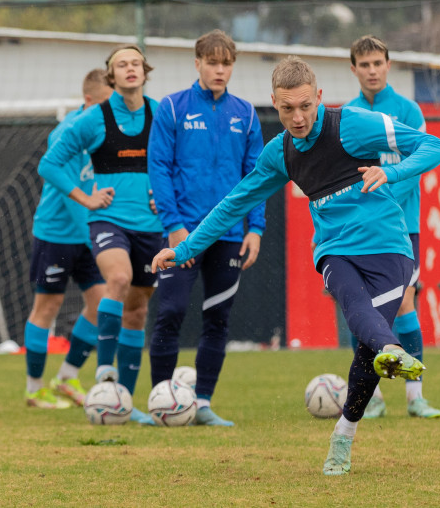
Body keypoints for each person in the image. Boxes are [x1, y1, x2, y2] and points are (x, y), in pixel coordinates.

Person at [151, 56, 440, 475]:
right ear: (273, 103)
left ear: (320, 99)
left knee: (366, 349)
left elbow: (436, 146)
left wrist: (394, 172)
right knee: (354, 306)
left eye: (306, 106)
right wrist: (183, 250)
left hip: (389, 249)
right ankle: (393, 349)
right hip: (334, 248)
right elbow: (234, 204)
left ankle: (344, 432)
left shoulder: (352, 124)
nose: (297, 117)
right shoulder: (282, 153)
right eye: (287, 108)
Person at [39, 45, 162, 425]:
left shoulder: (162, 114)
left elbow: (181, 163)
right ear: (111, 76)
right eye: (121, 64)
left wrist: (167, 195)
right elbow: (50, 164)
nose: (129, 69)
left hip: (151, 225)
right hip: (108, 221)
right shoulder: (92, 120)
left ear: (145, 71)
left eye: (135, 63)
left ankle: (124, 401)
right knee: (119, 278)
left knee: (138, 309)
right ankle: (104, 373)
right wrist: (84, 197)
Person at [147, 30, 265, 427]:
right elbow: (159, 168)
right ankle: (161, 398)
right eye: (212, 62)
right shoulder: (173, 108)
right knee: (171, 312)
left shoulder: (246, 114)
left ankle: (202, 403)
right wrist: (174, 225)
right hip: (183, 233)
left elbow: (257, 176)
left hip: (230, 235)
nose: (219, 70)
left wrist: (256, 228)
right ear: (196, 63)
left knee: (218, 318)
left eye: (226, 63)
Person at [344, 35, 440, 420]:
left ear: (388, 65)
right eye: (364, 65)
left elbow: (418, 163)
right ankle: (372, 399)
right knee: (361, 308)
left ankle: (415, 396)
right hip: (358, 231)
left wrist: (383, 194)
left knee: (404, 302)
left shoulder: (407, 110)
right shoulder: (346, 115)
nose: (371, 71)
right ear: (353, 69)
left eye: (377, 63)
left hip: (402, 226)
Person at [24, 69, 113, 409]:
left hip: (88, 233)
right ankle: (34, 388)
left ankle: (67, 377)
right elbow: (69, 194)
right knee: (47, 307)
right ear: (88, 101)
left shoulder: (108, 130)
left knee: (101, 302)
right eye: (105, 105)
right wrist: (96, 236)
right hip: (58, 235)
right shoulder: (67, 132)